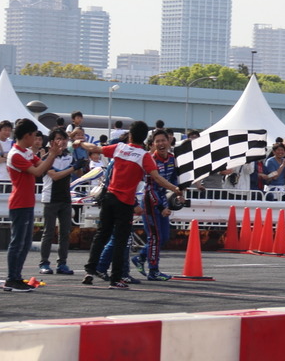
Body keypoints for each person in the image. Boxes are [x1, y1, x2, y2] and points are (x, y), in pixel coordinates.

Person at [74, 121, 182, 289]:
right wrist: (174, 188)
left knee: (101, 236)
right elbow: (157, 178)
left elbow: (94, 149)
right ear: (146, 138)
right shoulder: (144, 156)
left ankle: (90, 270)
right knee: (120, 240)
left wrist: (79, 142)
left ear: (130, 135)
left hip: (109, 197)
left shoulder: (120, 148)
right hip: (125, 202)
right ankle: (116, 279)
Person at [4, 119, 63, 292]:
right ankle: (11, 279)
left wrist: (53, 154)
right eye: (34, 136)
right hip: (19, 203)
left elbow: (43, 167)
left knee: (24, 242)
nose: (36, 140)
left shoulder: (25, 153)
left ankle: (16, 277)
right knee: (18, 242)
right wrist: (52, 155)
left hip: (26, 202)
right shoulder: (16, 154)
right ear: (27, 135)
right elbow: (38, 171)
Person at [131, 130, 179, 281]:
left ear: (169, 141)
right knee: (155, 237)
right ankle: (153, 270)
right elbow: (150, 188)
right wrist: (160, 207)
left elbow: (174, 181)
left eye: (163, 140)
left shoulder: (172, 159)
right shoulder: (150, 160)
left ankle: (140, 258)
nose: (160, 144)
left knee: (164, 237)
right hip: (150, 202)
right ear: (152, 144)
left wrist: (178, 195)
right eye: (157, 141)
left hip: (163, 200)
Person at [39, 128, 87, 275]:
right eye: (59, 138)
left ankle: (62, 263)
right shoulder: (46, 158)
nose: (63, 141)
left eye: (65, 139)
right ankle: (44, 263)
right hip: (50, 198)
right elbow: (55, 176)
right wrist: (73, 167)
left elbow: (78, 174)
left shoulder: (69, 156)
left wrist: (81, 164)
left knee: (65, 233)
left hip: (66, 198)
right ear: (52, 141)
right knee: (48, 232)